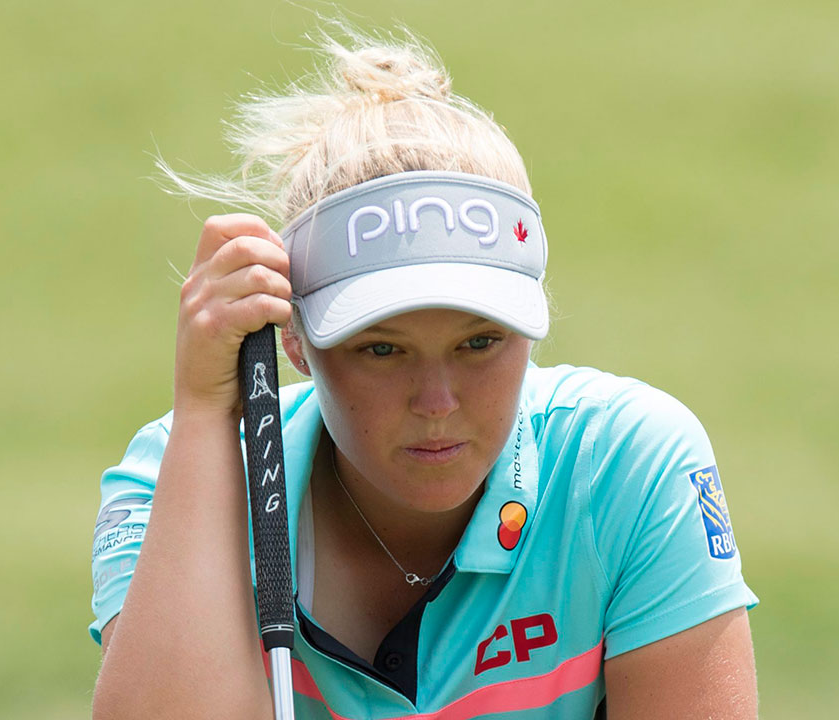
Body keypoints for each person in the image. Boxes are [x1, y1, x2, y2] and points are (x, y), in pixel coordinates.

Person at [89, 18, 758, 720]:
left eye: (480, 344)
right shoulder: (177, 473)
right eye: (383, 349)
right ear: (295, 343)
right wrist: (203, 411)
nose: (437, 401)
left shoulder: (626, 463)